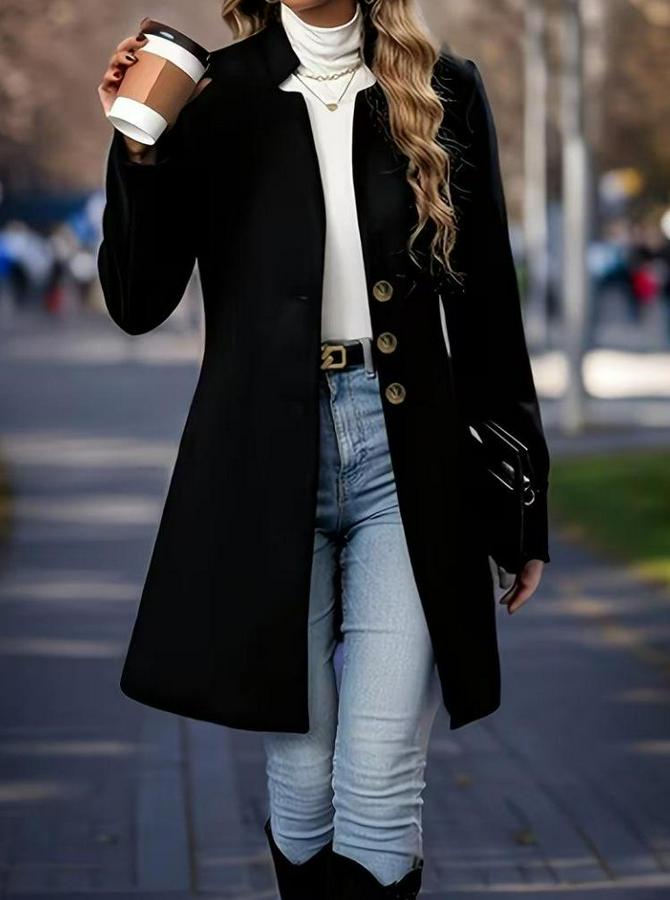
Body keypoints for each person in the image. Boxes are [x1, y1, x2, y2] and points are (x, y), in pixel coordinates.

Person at [96, 1, 551, 897]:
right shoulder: (214, 94)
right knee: (302, 784)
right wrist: (139, 147)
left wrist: (522, 498)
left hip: (408, 465)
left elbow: (489, 307)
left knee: (379, 779)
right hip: (265, 465)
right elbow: (137, 301)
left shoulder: (445, 88)